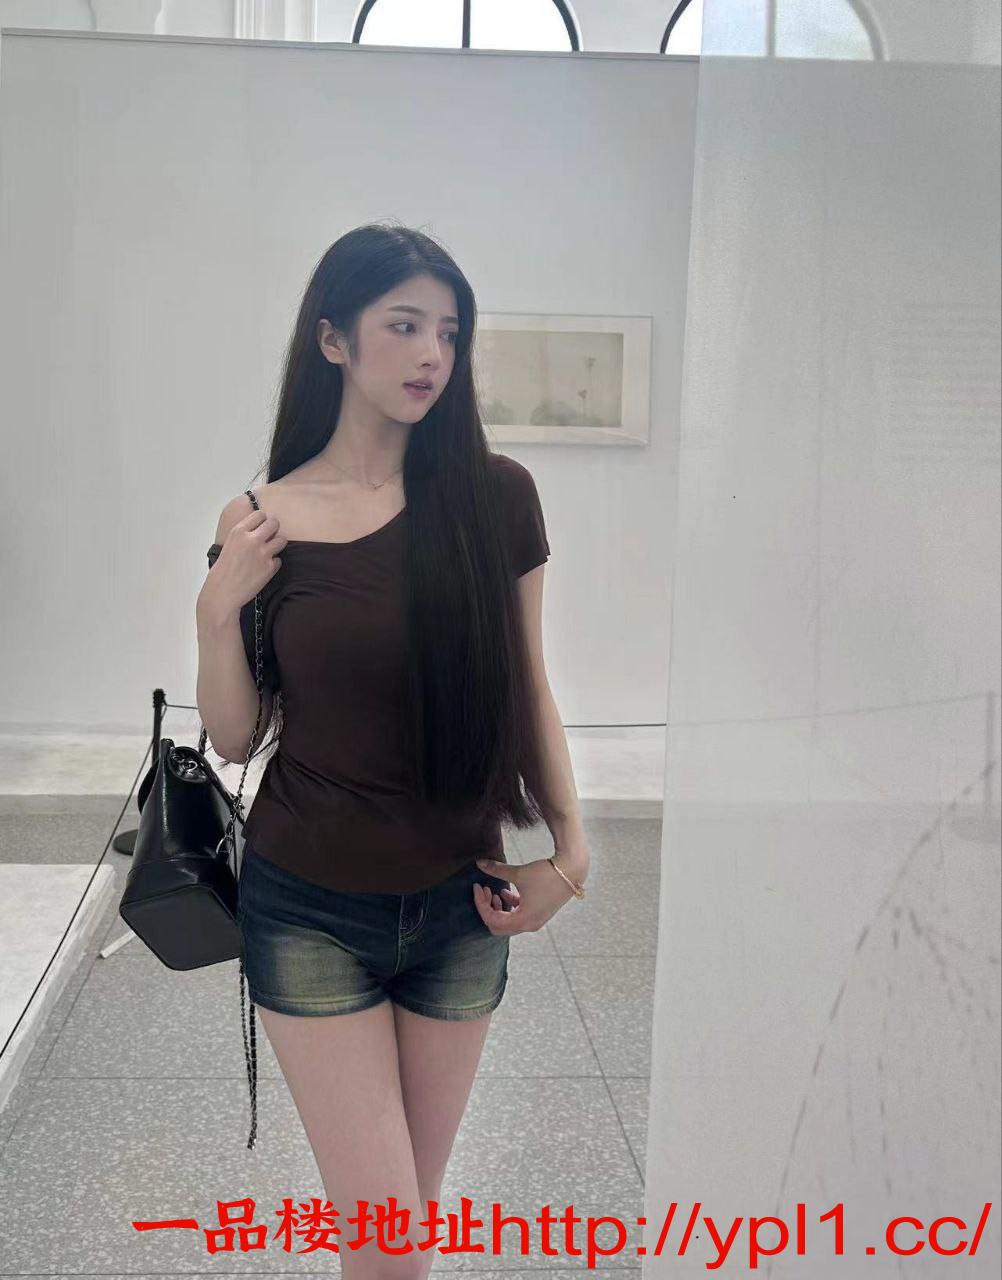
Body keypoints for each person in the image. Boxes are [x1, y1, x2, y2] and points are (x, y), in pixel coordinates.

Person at [196, 222, 590, 1280]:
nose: (432, 355)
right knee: (390, 1246)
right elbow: (235, 735)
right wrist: (215, 612)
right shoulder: (263, 519)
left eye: (449, 333)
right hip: (310, 904)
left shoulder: (494, 497)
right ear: (333, 340)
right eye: (404, 326)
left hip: (463, 906)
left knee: (400, 1229)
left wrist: (570, 853)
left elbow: (529, 683)